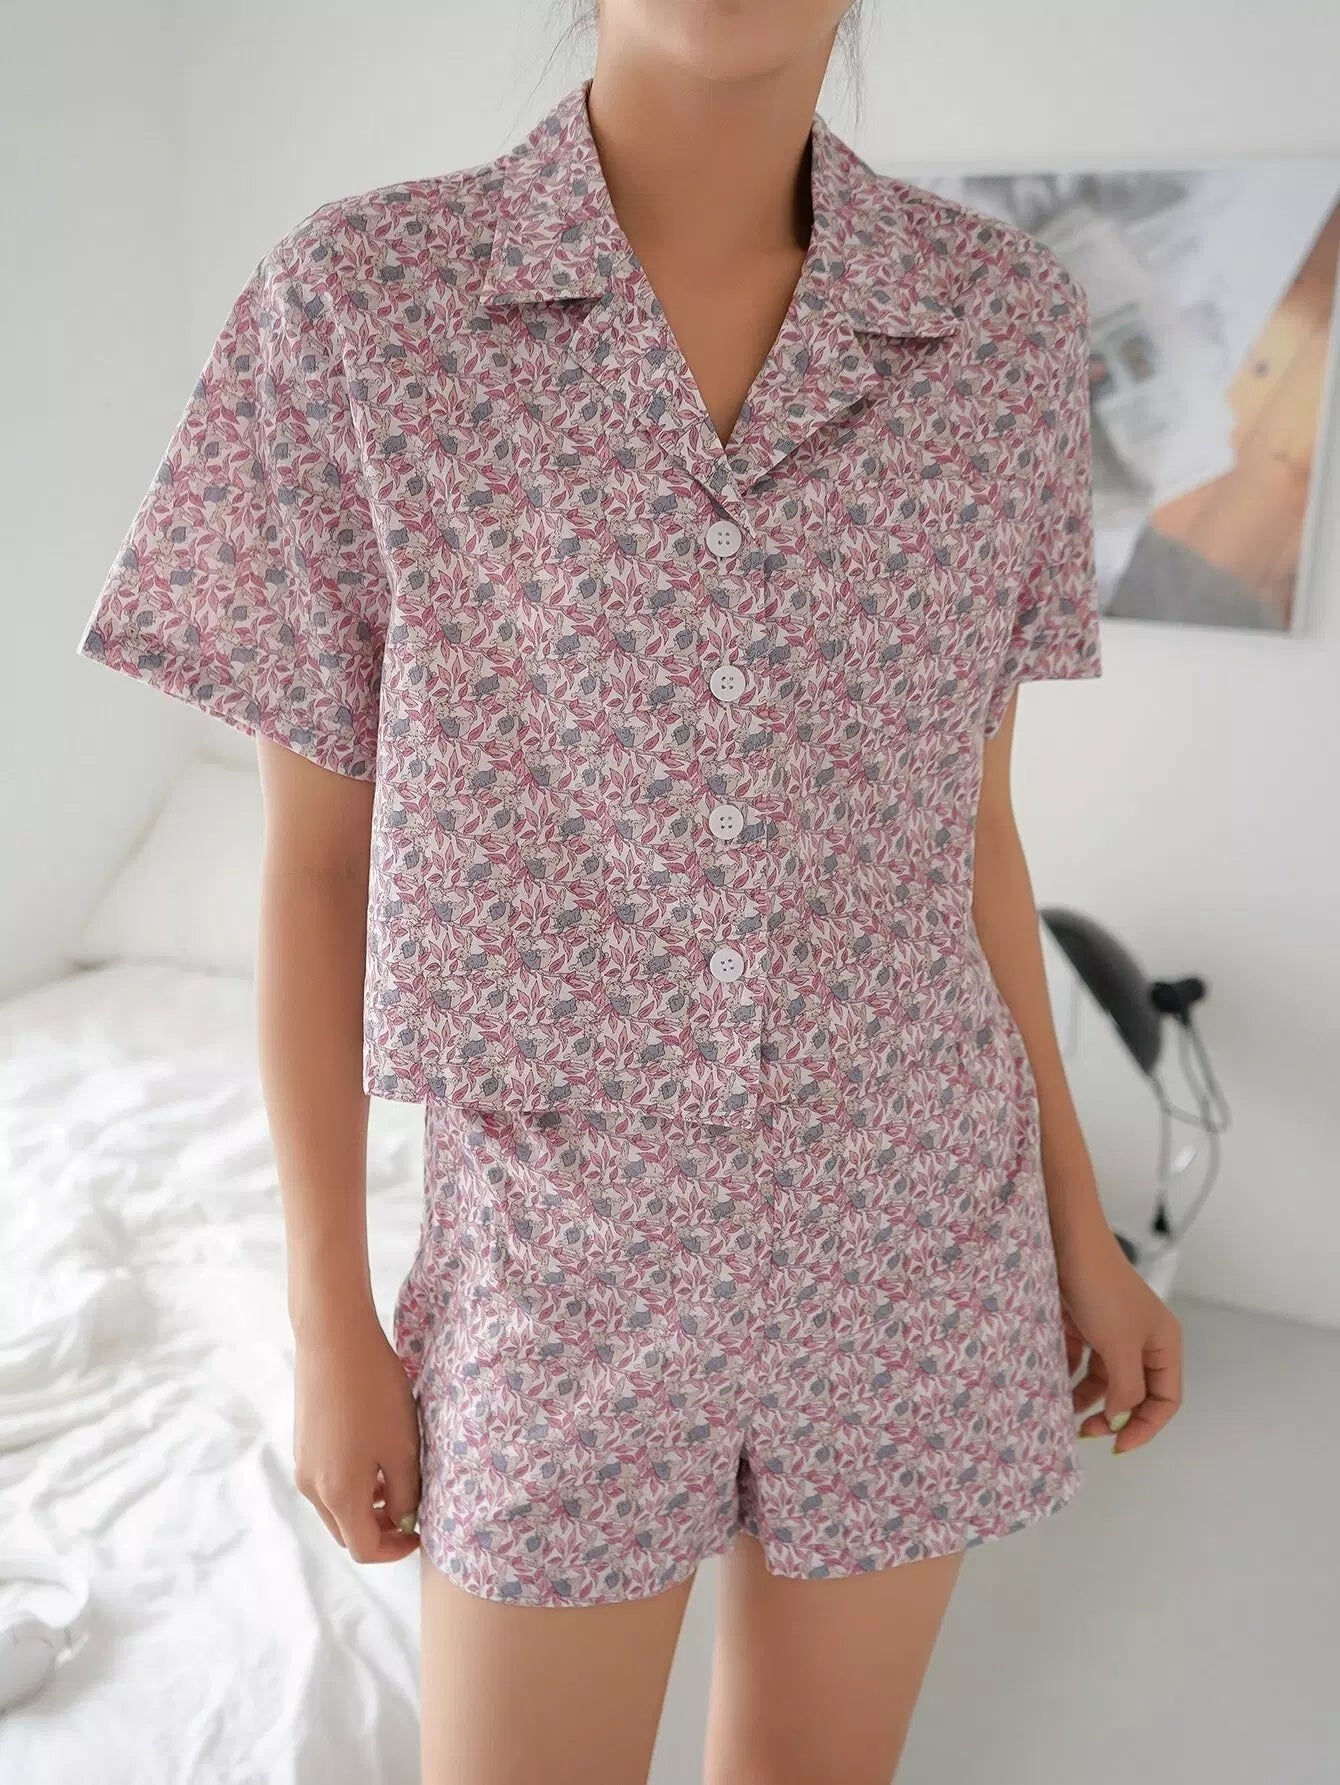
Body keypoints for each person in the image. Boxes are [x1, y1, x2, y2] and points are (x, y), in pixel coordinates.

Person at [75, 4, 1184, 1781]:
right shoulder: (363, 306)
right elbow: (319, 863)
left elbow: (968, 832)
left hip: (916, 1231)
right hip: (557, 1263)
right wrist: (330, 1311)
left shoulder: (1002, 328)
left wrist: (1082, 1226)